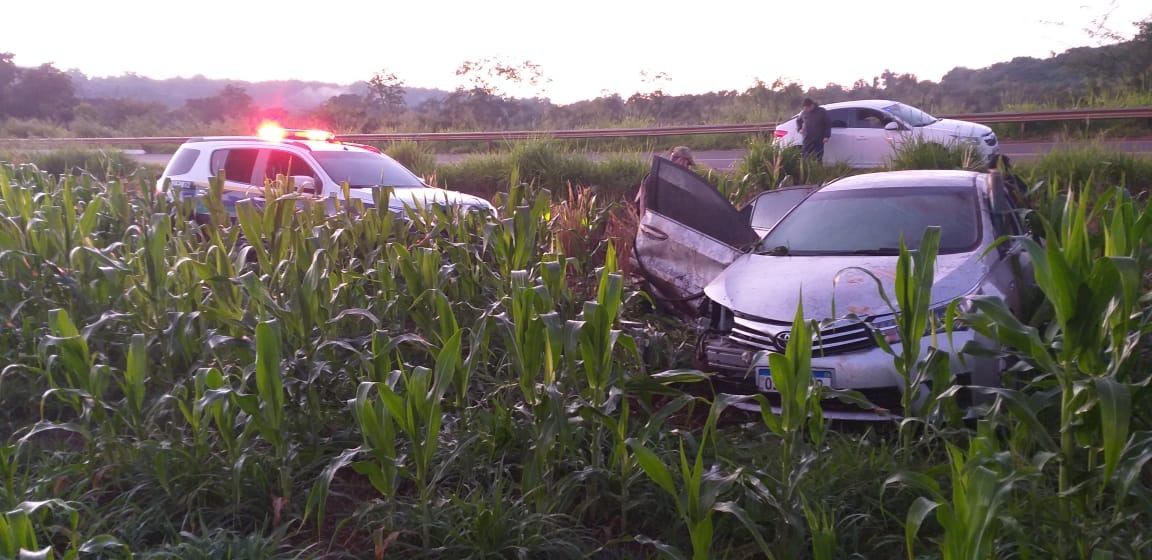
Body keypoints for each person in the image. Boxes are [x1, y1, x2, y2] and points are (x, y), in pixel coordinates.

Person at [634, 146, 696, 216]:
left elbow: (638, 202)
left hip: (649, 221)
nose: (687, 168)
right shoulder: (672, 179)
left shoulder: (654, 174)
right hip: (657, 223)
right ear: (681, 160)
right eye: (687, 164)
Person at [796, 98, 831, 163]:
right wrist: (799, 128)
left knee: (819, 156)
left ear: (812, 105)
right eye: (804, 108)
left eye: (807, 108)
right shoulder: (804, 112)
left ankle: (818, 170)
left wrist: (827, 136)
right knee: (805, 156)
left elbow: (828, 124)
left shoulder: (822, 111)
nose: (805, 109)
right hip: (807, 138)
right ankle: (805, 170)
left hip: (819, 138)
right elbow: (798, 120)